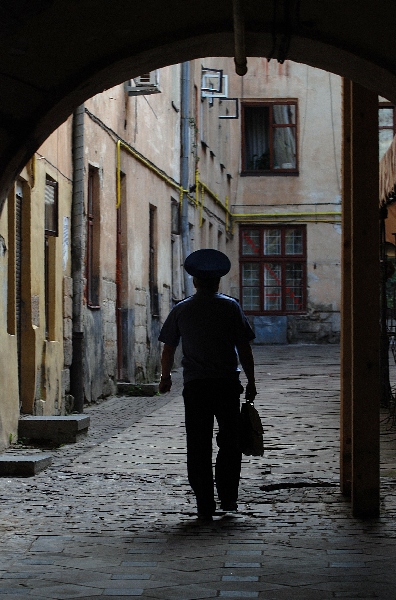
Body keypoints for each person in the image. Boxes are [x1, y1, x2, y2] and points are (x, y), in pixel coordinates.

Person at [158, 248, 257, 520]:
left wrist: (165, 377)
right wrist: (252, 380)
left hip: (196, 387)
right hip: (226, 385)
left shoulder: (182, 309)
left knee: (198, 444)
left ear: (194, 281)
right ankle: (227, 498)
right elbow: (244, 347)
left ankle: (204, 502)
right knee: (230, 442)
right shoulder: (230, 307)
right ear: (218, 281)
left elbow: (168, 347)